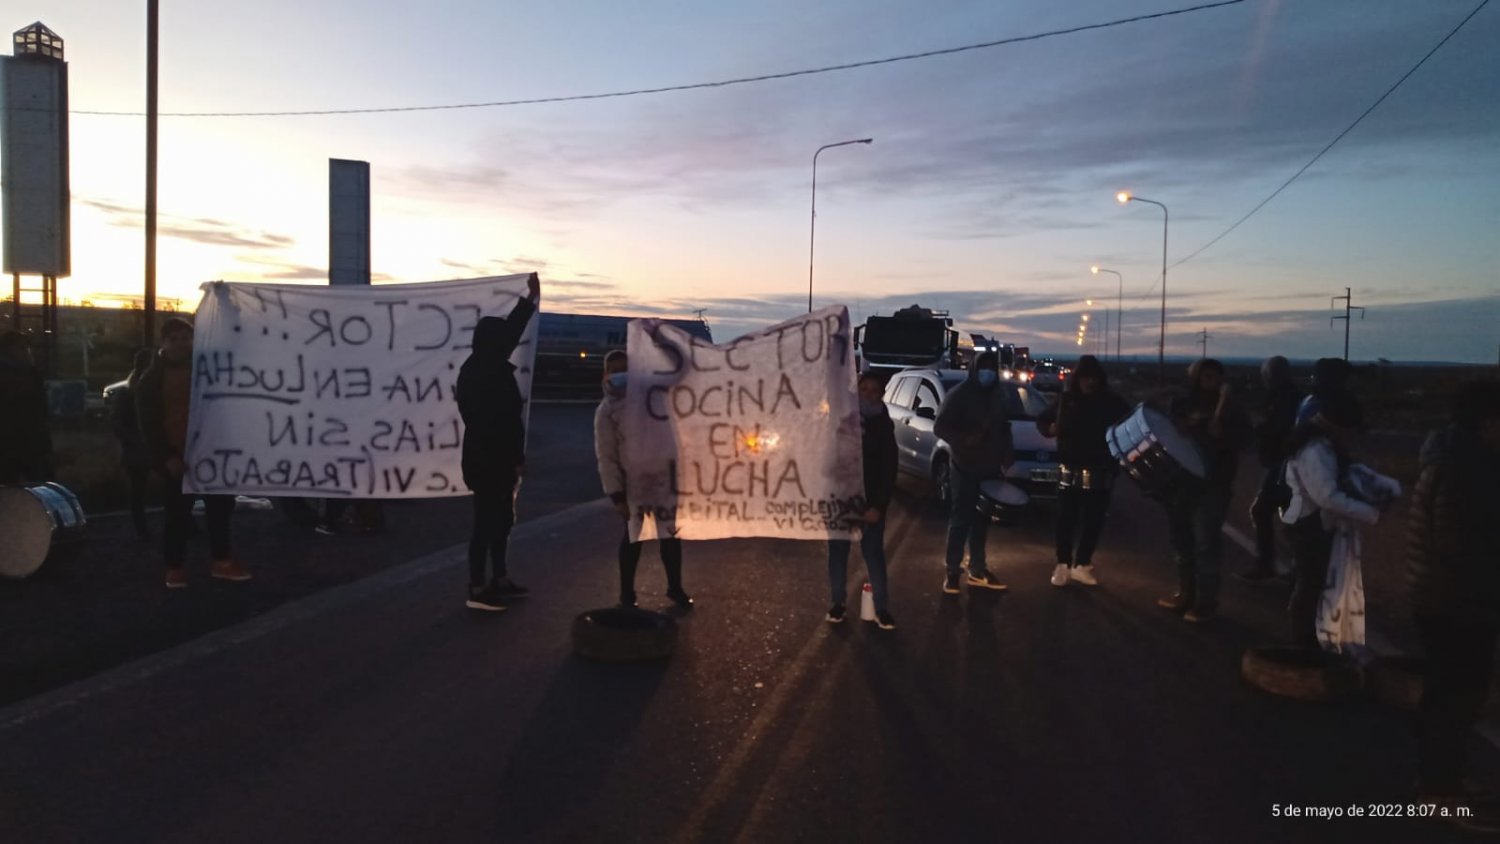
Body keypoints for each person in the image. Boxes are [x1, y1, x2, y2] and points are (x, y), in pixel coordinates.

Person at [1406, 380, 1500, 827]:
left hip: (1440, 595)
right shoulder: (1470, 470)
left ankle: (1441, 779)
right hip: (1460, 600)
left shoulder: (1449, 458)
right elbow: (1461, 543)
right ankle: (1441, 791)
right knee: (1457, 697)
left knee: (1445, 693)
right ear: (1488, 422)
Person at [136, 318, 250, 588]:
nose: (181, 344)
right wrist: (166, 457)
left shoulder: (208, 369)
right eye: (173, 339)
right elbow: (149, 425)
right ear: (163, 343)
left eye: (185, 338)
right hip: (178, 457)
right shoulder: (151, 379)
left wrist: (228, 306)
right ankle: (174, 568)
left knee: (220, 510)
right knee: (177, 515)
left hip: (213, 453)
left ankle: (221, 561)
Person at [457, 276, 539, 611]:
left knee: (502, 520)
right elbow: (497, 424)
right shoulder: (481, 372)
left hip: (497, 460)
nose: (507, 342)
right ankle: (477, 587)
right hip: (487, 461)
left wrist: (529, 299)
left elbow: (510, 332)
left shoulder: (485, 367)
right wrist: (513, 456)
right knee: (486, 523)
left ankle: (499, 577)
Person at [1279, 392, 1380, 649]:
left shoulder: (1319, 444)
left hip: (1310, 523)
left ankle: (1307, 640)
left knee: (1313, 584)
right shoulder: (1315, 450)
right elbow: (1327, 497)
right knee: (1309, 586)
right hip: (1307, 526)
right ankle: (1301, 644)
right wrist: (1368, 512)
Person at [594, 351, 692, 610]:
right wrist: (616, 494)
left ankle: (675, 588)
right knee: (632, 539)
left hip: (664, 481)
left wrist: (661, 342)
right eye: (614, 369)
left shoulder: (654, 395)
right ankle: (627, 595)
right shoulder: (606, 412)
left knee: (669, 536)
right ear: (606, 374)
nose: (620, 373)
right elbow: (607, 456)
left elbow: (682, 367)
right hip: (633, 486)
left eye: (625, 368)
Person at [1157, 359, 1251, 623]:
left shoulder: (1232, 410)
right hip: (1181, 482)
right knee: (1182, 541)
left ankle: (1206, 603)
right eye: (1206, 376)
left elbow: (1245, 441)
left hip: (1214, 484)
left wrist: (1223, 434)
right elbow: (1168, 431)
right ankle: (1185, 593)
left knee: (1206, 543)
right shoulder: (1183, 403)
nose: (1211, 382)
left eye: (1215, 377)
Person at [1035, 355, 1129, 587]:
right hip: (1070, 468)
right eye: (1086, 378)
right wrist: (1050, 428)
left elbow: (1128, 426)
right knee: (1066, 520)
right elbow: (1043, 420)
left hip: (1101, 470)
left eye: (1093, 378)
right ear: (1078, 379)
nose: (1090, 383)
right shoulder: (1066, 401)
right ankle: (1063, 564)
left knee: (1093, 521)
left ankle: (1083, 564)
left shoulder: (1112, 403)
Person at [933, 351, 1012, 594]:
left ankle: (977, 569)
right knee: (960, 520)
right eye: (983, 368)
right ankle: (952, 571)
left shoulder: (999, 395)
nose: (987, 373)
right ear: (975, 369)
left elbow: (1004, 426)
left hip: (989, 469)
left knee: (981, 522)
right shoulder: (960, 394)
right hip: (964, 467)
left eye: (991, 368)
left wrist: (1008, 453)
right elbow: (940, 426)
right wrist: (965, 440)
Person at [826, 371, 899, 629]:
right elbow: (829, 459)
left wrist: (877, 506)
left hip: (870, 503)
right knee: (838, 553)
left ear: (881, 394)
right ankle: (838, 604)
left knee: (873, 553)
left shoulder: (883, 424)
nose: (868, 394)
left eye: (874, 390)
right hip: (841, 500)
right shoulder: (842, 419)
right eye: (864, 389)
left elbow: (888, 468)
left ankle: (881, 608)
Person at [1241, 355, 1302, 583]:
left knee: (1263, 511)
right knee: (1290, 515)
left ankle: (1268, 565)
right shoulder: (1286, 396)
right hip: (1285, 464)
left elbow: (1278, 428)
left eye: (1266, 374)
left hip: (1284, 464)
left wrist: (1258, 430)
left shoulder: (1285, 399)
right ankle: (1298, 569)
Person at [111, 348, 155, 539]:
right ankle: (142, 528)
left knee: (138, 490)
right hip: (142, 447)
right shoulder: (132, 393)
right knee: (141, 490)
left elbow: (117, 423)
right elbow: (118, 424)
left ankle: (141, 528)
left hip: (138, 448)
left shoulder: (127, 391)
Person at [0, 330, 53, 485]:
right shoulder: (22, 375)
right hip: (21, 443)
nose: (28, 352)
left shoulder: (28, 373)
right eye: (23, 348)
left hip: (21, 443)